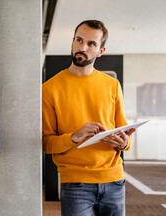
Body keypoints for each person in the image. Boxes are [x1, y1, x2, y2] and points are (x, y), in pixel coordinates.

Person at [42, 20, 135, 216]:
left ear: (100, 51)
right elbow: (46, 143)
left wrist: (124, 142)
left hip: (114, 180)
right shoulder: (49, 89)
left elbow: (124, 133)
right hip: (76, 184)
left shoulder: (112, 85)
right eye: (79, 40)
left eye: (91, 44)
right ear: (73, 41)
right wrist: (75, 136)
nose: (82, 48)